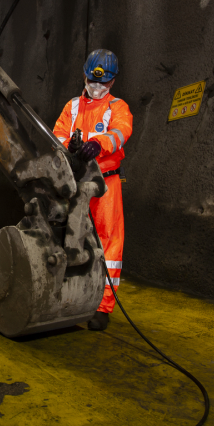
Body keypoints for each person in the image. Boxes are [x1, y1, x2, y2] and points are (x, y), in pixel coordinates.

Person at [52, 49, 133, 331]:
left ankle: (103, 307)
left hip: (106, 184)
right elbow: (58, 133)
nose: (97, 87)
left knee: (109, 244)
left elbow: (122, 131)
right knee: (67, 235)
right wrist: (68, 147)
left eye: (104, 83)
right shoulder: (72, 106)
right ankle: (62, 293)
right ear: (85, 76)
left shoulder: (118, 107)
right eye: (93, 81)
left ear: (112, 82)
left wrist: (99, 144)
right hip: (74, 182)